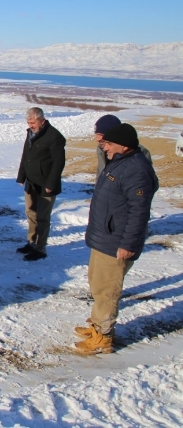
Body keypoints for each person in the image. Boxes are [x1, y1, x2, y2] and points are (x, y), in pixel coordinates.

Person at [74, 123, 158, 354]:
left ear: (124, 145)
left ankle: (103, 337)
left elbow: (139, 211)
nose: (105, 147)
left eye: (109, 144)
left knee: (107, 291)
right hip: (104, 237)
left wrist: (128, 244)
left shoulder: (136, 170)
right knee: (98, 284)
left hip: (116, 241)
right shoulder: (121, 162)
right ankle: (97, 326)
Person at [16, 107, 66, 261]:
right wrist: (21, 176)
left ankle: (40, 247)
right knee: (31, 213)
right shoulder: (31, 134)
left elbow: (59, 163)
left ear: (42, 121)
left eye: (33, 122)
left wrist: (51, 183)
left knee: (43, 217)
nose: (30, 125)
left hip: (46, 184)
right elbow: (26, 156)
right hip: (31, 182)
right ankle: (31, 242)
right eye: (28, 122)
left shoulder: (54, 136)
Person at [93, 114, 152, 181]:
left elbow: (145, 183)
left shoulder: (137, 152)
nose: (97, 139)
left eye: (101, 135)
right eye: (96, 134)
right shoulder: (101, 148)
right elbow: (101, 172)